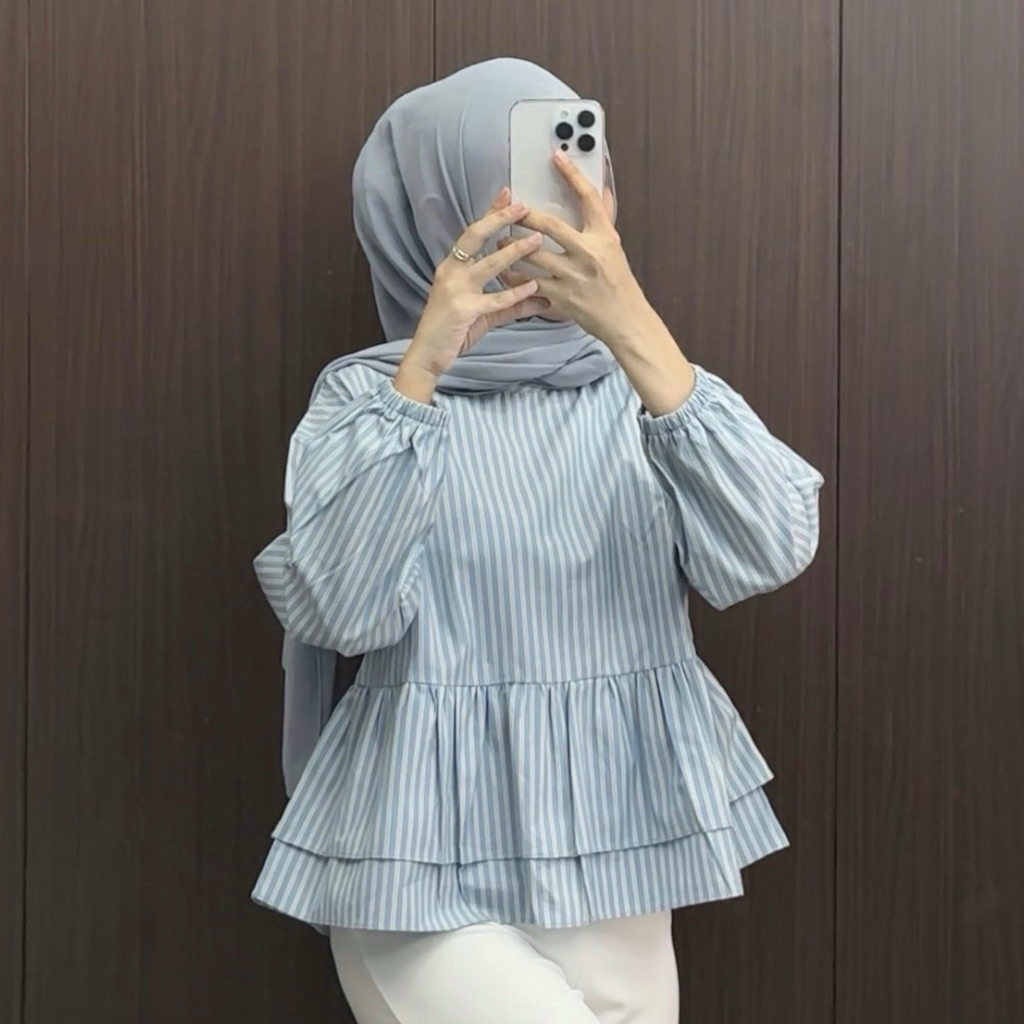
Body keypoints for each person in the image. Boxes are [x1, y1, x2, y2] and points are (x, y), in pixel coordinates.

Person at [251, 57, 823, 1024]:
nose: (553, 216)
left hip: (623, 849)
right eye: (515, 185)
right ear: (433, 212)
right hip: (419, 862)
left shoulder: (651, 392)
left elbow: (771, 546)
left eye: (581, 177)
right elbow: (342, 611)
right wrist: (424, 368)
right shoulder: (368, 401)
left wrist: (634, 327)